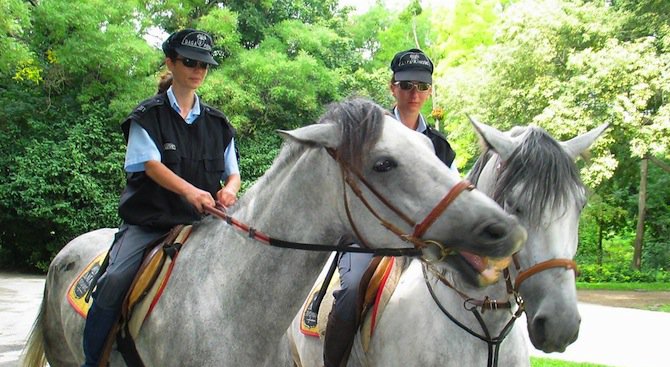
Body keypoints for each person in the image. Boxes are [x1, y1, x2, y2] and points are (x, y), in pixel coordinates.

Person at [81, 28, 240, 367]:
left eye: (204, 65)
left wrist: (229, 190)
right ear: (170, 61)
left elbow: (233, 171)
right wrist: (191, 191)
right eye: (189, 62)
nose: (198, 70)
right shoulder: (147, 116)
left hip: (203, 227)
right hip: (150, 224)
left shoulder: (218, 123)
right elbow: (150, 165)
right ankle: (92, 361)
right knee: (114, 281)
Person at [323, 48, 457, 367]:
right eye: (407, 85)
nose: (415, 94)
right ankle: (334, 361)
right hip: (370, 239)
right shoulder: (370, 136)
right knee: (354, 288)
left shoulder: (441, 146)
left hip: (423, 244)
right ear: (392, 87)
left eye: (423, 87)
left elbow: (453, 199)